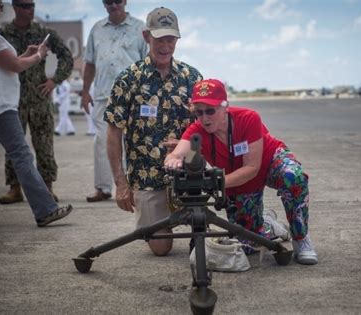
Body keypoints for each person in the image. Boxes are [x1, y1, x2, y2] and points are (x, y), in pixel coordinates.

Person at [164, 79, 318, 265]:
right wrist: (173, 160)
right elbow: (177, 153)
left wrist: (217, 183)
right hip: (239, 182)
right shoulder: (197, 130)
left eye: (210, 110)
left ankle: (301, 239)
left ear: (225, 107)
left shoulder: (248, 117)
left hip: (269, 163)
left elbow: (252, 167)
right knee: (247, 243)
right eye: (199, 112)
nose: (205, 118)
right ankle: (268, 224)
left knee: (293, 177)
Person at [104, 7, 203, 256]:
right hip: (148, 179)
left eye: (171, 39)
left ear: (177, 40)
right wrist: (121, 185)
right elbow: (113, 132)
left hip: (186, 176)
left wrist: (186, 146)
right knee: (160, 248)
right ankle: (161, 218)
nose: (165, 45)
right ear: (146, 36)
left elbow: (207, 126)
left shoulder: (192, 78)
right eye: (160, 38)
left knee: (202, 237)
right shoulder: (128, 79)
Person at [0, 0, 72, 227]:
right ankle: (43, 208)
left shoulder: (41, 32)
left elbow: (2, 62)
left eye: (31, 5)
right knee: (20, 154)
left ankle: (46, 191)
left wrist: (54, 80)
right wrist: (39, 55)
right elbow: (13, 65)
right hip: (2, 104)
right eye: (23, 5)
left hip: (14, 101)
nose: (29, 9)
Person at [81, 0, 148, 202]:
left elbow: (148, 62)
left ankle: (134, 185)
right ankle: (102, 188)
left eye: (117, 1)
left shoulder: (140, 28)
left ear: (125, 1)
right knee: (101, 141)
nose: (114, 5)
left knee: (134, 142)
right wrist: (85, 92)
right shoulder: (96, 29)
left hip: (133, 96)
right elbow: (90, 63)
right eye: (109, 2)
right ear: (103, 4)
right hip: (103, 95)